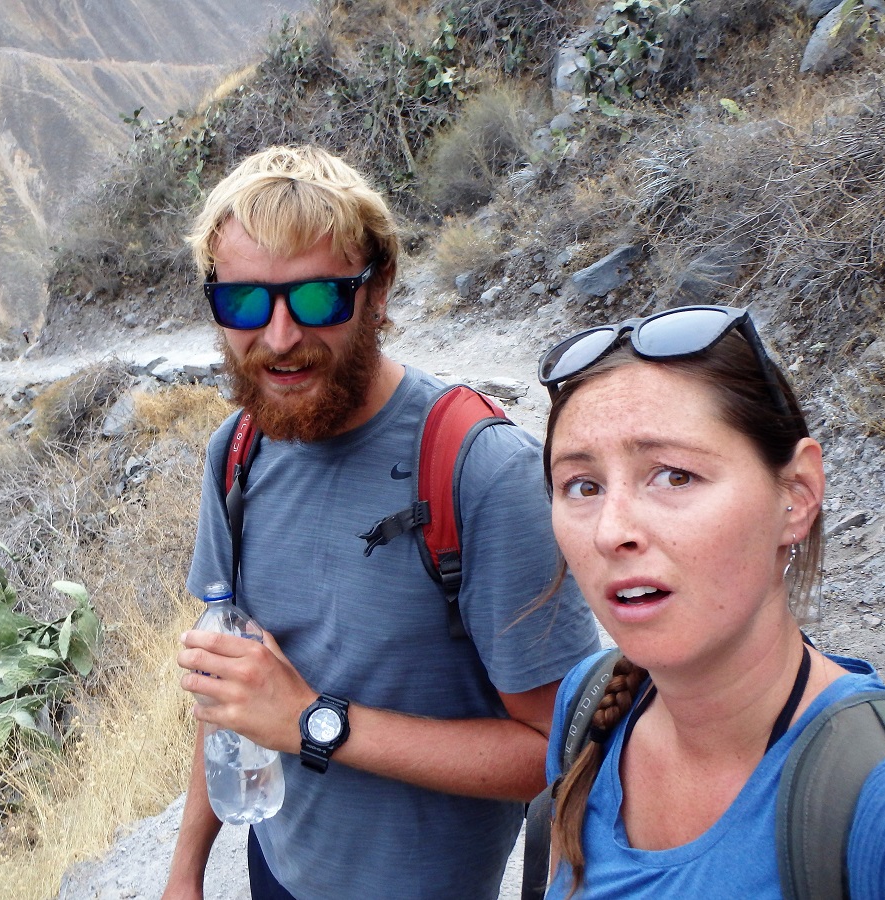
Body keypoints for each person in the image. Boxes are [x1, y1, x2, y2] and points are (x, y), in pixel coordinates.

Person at [164, 145, 601, 900]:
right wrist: (186, 872)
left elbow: (557, 750)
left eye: (316, 299)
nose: (277, 338)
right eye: (242, 302)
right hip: (279, 871)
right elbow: (231, 683)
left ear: (378, 289)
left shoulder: (480, 471)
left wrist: (311, 721)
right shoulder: (235, 455)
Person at [535, 304, 885, 898]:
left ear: (797, 495)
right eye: (583, 485)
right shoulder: (589, 706)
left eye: (675, 476)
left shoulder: (882, 796)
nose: (610, 531)